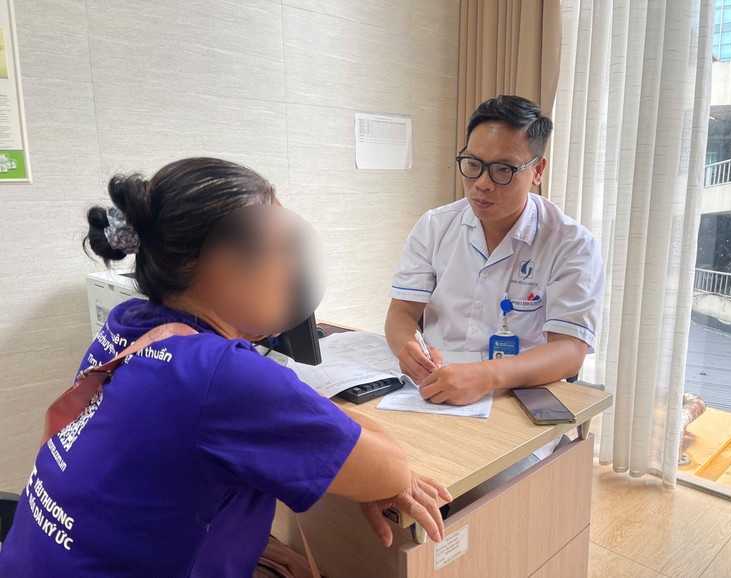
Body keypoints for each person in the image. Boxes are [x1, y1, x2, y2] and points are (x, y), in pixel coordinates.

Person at [0, 157, 449, 577]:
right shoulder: (221, 377)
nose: (293, 269)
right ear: (218, 266)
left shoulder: (129, 326)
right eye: (282, 249)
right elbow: (391, 469)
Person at [385, 95, 604, 464]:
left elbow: (570, 350)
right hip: (432, 388)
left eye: (503, 170)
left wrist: (485, 376)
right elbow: (401, 314)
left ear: (537, 171)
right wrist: (407, 347)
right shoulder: (436, 226)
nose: (482, 184)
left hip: (517, 395)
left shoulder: (571, 243)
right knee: (378, 464)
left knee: (483, 488)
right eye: (472, 164)